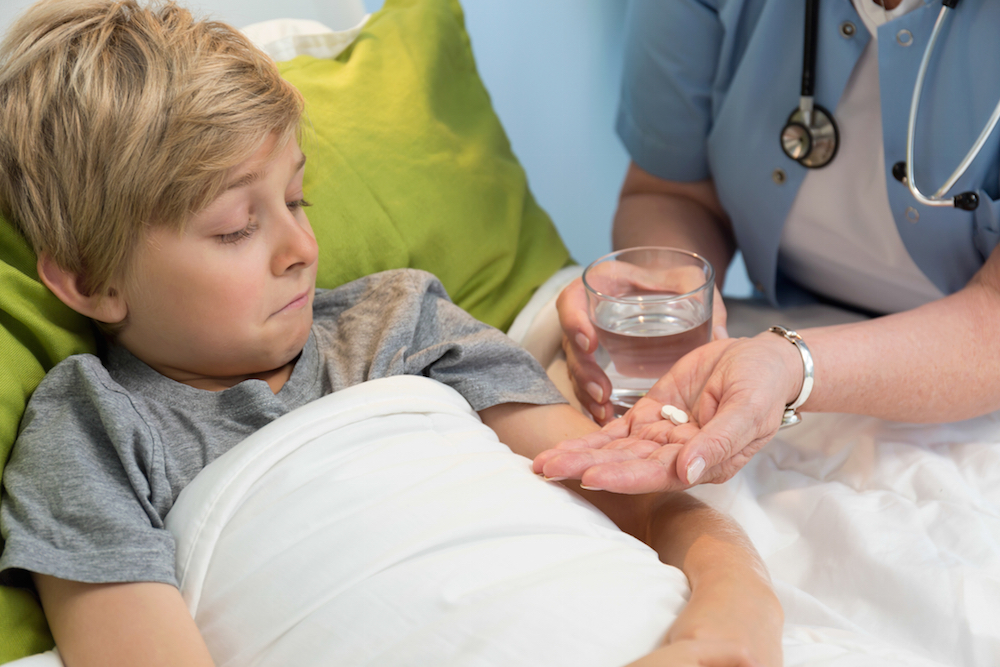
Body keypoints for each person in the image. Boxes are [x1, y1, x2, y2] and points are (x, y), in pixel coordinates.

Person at [0, 1, 783, 665]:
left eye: (298, 199)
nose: (301, 248)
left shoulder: (404, 320)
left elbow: (635, 500)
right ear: (87, 280)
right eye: (237, 228)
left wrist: (729, 617)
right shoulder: (92, 433)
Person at [534, 0, 1000, 495]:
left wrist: (792, 365)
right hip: (768, 347)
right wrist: (672, 280)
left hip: (966, 389)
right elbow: (670, 193)